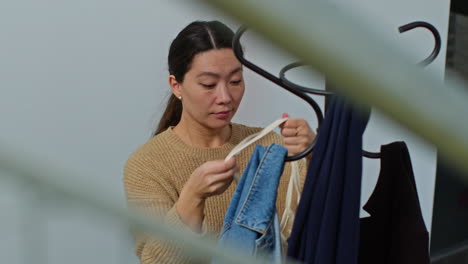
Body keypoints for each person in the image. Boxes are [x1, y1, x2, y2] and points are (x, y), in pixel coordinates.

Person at [123, 20, 316, 264]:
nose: (225, 97)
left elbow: (318, 231)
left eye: (235, 81)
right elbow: (155, 260)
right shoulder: (147, 166)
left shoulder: (270, 147)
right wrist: (192, 197)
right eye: (209, 85)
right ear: (176, 85)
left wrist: (314, 155)